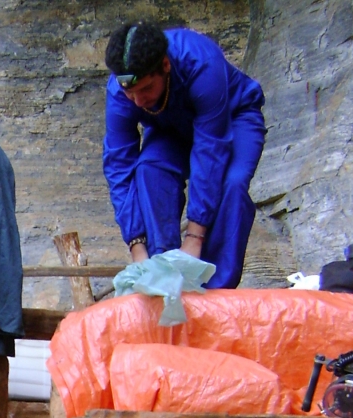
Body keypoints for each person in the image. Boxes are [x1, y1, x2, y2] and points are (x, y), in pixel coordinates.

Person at [103, 23, 266, 288]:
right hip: (170, 128)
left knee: (232, 184)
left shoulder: (202, 63)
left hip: (233, 117)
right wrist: (137, 247)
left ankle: (213, 288)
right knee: (149, 169)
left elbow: (210, 151)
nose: (137, 101)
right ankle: (164, 271)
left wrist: (194, 238)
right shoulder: (120, 92)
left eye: (145, 89)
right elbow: (119, 167)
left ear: (165, 65)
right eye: (129, 93)